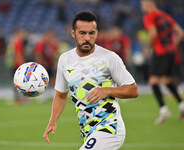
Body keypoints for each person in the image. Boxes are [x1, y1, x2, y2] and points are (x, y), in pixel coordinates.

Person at [43, 11, 138, 150]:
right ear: (73, 33)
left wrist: (107, 90)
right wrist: (53, 120)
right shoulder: (65, 59)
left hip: (110, 128)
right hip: (88, 131)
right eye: (82, 33)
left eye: (91, 33)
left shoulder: (109, 58)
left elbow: (133, 89)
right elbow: (61, 95)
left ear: (96, 33)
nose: (87, 38)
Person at [141, 0, 184, 124]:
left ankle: (163, 110)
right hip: (172, 52)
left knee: (153, 81)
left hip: (160, 52)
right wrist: (172, 45)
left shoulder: (149, 16)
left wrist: (147, 48)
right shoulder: (165, 16)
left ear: (149, 4)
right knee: (166, 80)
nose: (142, 6)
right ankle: (181, 105)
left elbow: (153, 33)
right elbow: (180, 33)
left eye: (143, 4)